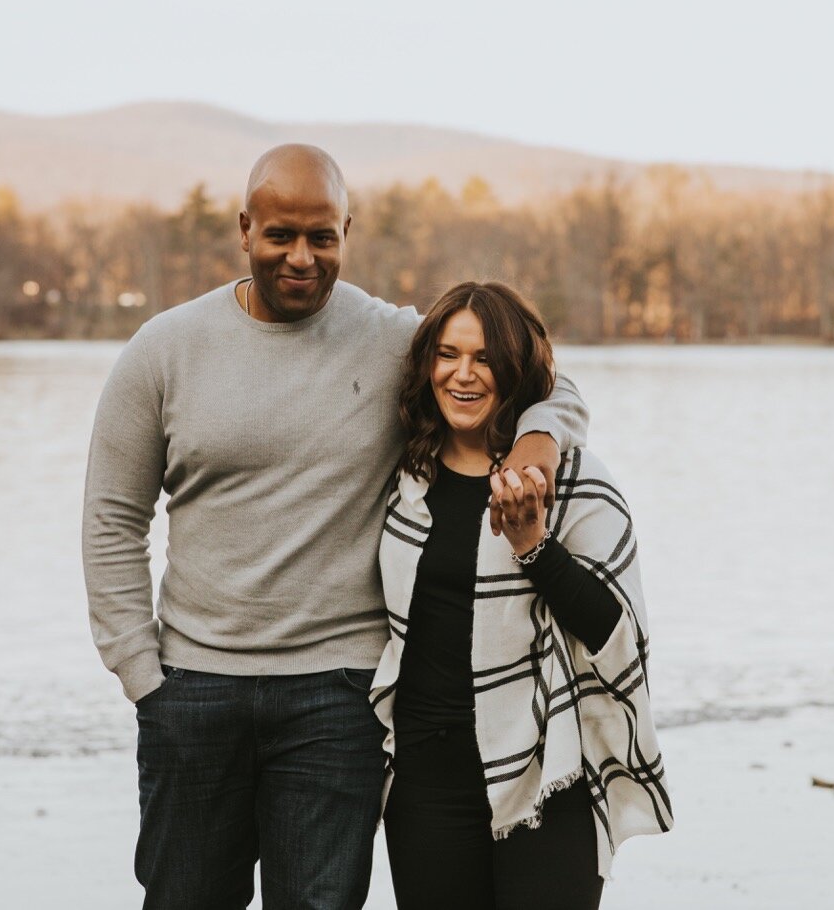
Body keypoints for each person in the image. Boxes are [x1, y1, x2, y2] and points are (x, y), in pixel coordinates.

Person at [81, 145, 588, 910]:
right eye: (281, 235)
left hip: (338, 698)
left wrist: (540, 436)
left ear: (347, 232)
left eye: (323, 237)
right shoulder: (164, 349)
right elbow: (113, 517)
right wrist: (139, 673)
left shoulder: (391, 341)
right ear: (245, 229)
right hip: (192, 690)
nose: (301, 256)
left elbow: (535, 372)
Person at [371, 281, 671, 910]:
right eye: (448, 355)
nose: (463, 374)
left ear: (515, 370)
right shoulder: (406, 476)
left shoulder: (574, 478)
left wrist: (534, 545)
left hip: (546, 775)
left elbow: (615, 630)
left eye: (485, 358)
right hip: (427, 784)